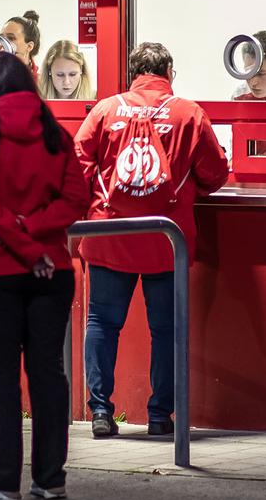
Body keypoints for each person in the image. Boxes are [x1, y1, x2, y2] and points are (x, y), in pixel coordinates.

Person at [75, 42, 229, 438]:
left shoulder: (106, 109)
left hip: (109, 234)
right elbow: (214, 173)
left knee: (102, 323)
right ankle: (160, 416)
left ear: (132, 74)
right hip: (166, 237)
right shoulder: (188, 113)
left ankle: (100, 413)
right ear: (169, 72)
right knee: (166, 329)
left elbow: (76, 167)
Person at [0, 52, 90, 500]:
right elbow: (76, 199)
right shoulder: (56, 133)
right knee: (49, 374)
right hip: (53, 271)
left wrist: (21, 240)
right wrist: (36, 238)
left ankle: (2, 481)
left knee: (1, 378)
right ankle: (51, 478)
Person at [0, 11, 41, 80]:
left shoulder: (42, 83)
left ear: (29, 46)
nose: (3, 43)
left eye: (11, 38)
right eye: (1, 38)